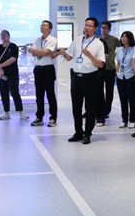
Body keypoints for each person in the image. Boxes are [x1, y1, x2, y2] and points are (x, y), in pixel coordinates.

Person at [57, 17, 106, 145]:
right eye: (86, 25)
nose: (87, 28)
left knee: (90, 107)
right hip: (76, 78)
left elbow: (100, 64)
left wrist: (89, 55)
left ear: (95, 29)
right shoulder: (77, 40)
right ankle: (78, 132)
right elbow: (69, 58)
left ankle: (87, 133)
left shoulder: (98, 43)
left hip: (90, 78)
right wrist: (64, 53)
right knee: (76, 107)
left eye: (90, 26)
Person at [28, 20, 58, 127]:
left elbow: (47, 52)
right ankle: (39, 117)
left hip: (48, 69)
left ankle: (53, 118)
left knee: (50, 95)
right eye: (41, 25)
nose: (42, 27)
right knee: (39, 95)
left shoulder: (53, 40)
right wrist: (45, 53)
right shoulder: (37, 40)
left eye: (45, 26)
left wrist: (41, 52)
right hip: (38, 69)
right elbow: (33, 53)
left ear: (50, 29)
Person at [0, 30, 29, 121]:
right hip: (1, 74)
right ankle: (6, 112)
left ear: (8, 36)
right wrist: (0, 69)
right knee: (3, 93)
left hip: (12, 74)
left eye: (4, 35)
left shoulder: (13, 46)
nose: (3, 36)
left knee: (14, 92)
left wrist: (1, 66)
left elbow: (12, 59)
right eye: (1, 35)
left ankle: (21, 112)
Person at [96, 21, 121, 126]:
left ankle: (106, 111)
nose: (103, 30)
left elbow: (122, 49)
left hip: (110, 68)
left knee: (109, 91)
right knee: (98, 90)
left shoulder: (114, 40)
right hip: (99, 68)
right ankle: (98, 110)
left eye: (105, 28)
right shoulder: (97, 40)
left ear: (109, 29)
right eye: (102, 28)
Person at [115, 31, 135, 129]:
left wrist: (134, 74)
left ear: (130, 38)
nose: (123, 38)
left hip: (130, 76)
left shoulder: (134, 49)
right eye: (122, 37)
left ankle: (132, 120)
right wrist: (117, 73)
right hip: (120, 76)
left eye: (125, 37)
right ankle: (124, 120)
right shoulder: (119, 49)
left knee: (132, 99)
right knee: (123, 99)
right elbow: (119, 62)